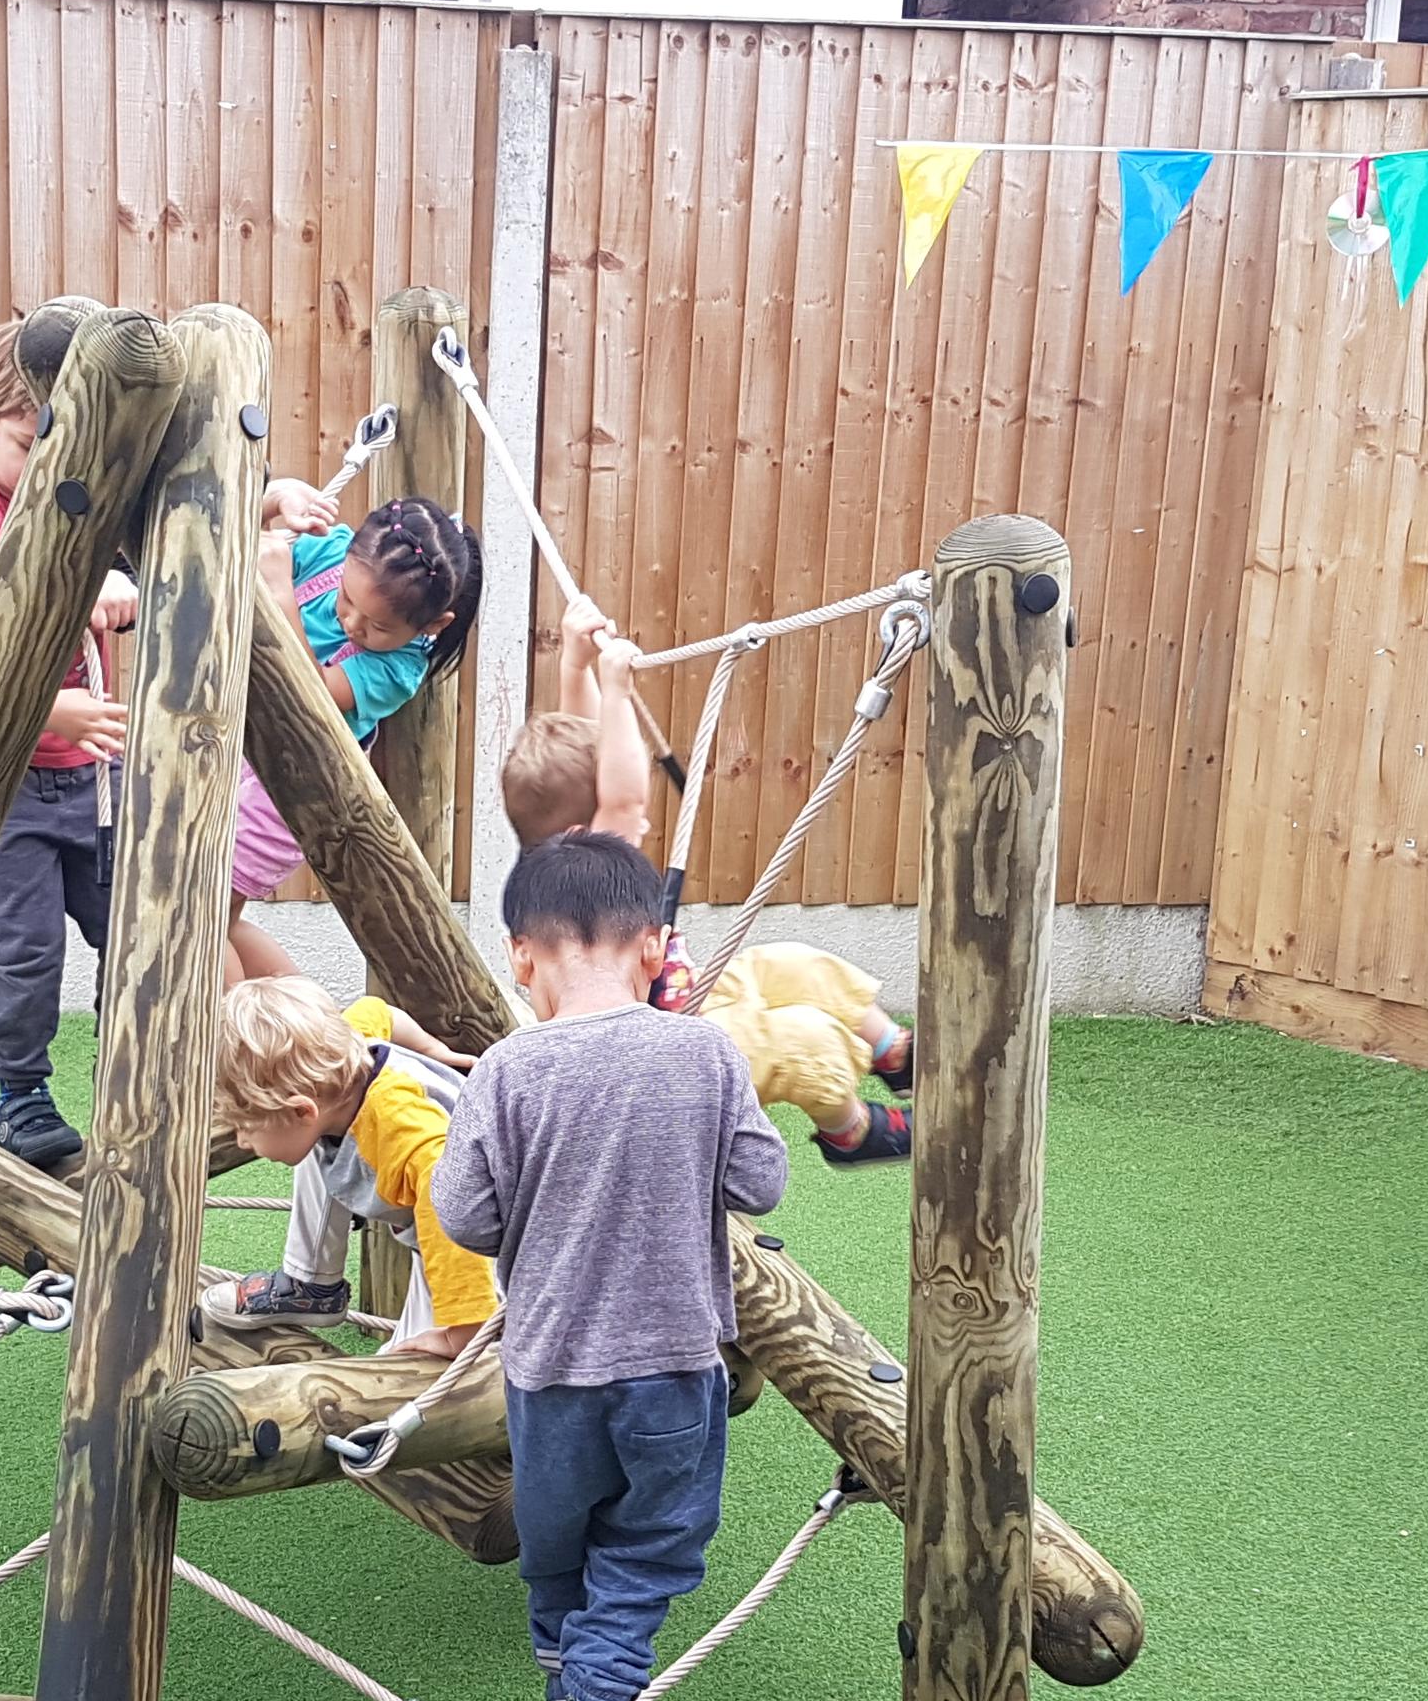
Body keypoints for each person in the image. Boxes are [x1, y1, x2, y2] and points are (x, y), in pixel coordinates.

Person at [432, 830, 787, 1701]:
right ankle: (596, 1700)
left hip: (548, 1371)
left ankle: (563, 1664)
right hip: (670, 1364)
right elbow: (760, 1184)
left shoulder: (507, 1069)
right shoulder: (702, 1052)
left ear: (522, 955)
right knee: (656, 1538)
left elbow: (465, 1216)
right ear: (654, 949)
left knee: (557, 1532)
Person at [501, 597, 914, 1165]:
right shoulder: (580, 878)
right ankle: (851, 1129)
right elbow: (622, 795)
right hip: (659, 1055)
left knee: (792, 964)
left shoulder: (549, 857)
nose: (639, 822)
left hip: (685, 998)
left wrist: (575, 666)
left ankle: (894, 1052)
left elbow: (595, 754)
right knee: (798, 1040)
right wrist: (616, 691)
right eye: (620, 816)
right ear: (584, 827)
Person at [0, 319, 141, 1172]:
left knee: (132, 932)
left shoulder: (84, 496)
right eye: (27, 445)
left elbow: (162, 537)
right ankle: (20, 1093)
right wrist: (55, 712)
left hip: (96, 786)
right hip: (10, 786)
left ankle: (133, 1079)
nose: (43, 467)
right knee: (28, 947)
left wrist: (118, 575)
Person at [221, 488, 483, 986]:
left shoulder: (399, 668)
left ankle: (245, 1046)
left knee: (207, 924)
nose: (352, 623)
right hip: (236, 755)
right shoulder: (325, 552)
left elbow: (308, 695)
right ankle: (311, 1028)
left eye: (379, 625)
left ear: (432, 625)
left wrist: (280, 594)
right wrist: (271, 504)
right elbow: (230, 537)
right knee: (219, 921)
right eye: (346, 598)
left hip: (283, 795)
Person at [199, 976, 493, 1360]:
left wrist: (462, 1333)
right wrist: (431, 1048)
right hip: (435, 1208)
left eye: (246, 1127)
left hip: (483, 1242)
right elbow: (378, 1011)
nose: (240, 1142)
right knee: (316, 1146)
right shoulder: (343, 1054)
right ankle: (312, 1286)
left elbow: (453, 1206)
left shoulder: (402, 1133)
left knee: (403, 1368)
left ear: (302, 1109)